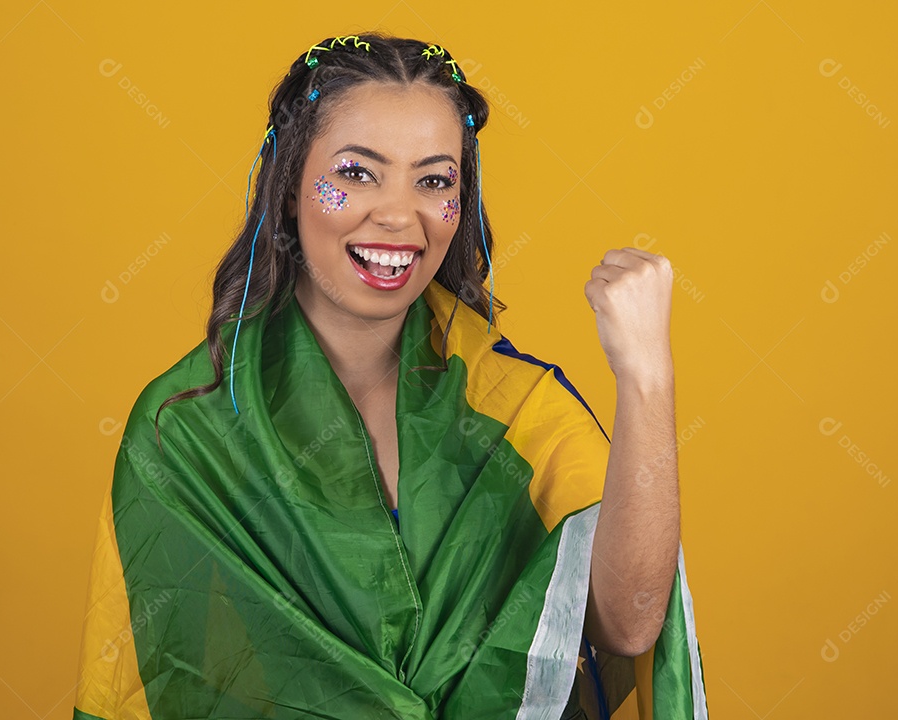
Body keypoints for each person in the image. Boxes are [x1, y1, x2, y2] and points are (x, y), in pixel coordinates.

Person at [72, 33, 708, 719]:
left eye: (434, 180)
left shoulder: (512, 411)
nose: (399, 215)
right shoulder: (188, 430)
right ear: (289, 187)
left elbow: (630, 622)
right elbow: (175, 681)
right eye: (355, 173)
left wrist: (646, 377)